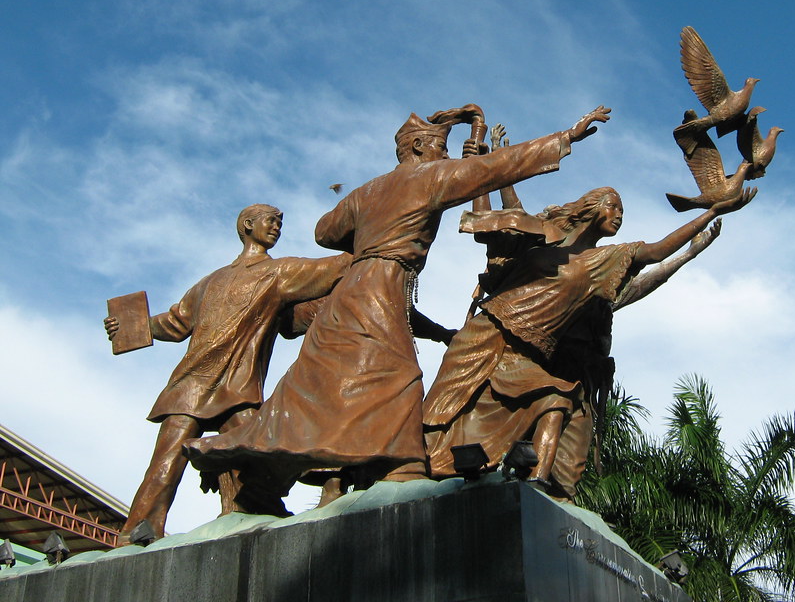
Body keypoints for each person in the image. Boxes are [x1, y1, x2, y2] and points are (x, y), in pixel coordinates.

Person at [185, 104, 612, 506]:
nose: (444, 155)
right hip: (382, 287)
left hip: (350, 288)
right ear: (420, 147)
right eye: (440, 148)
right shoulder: (428, 178)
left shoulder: (367, 191)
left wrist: (370, 231)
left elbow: (324, 230)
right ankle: (402, 467)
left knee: (316, 380)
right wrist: (566, 137)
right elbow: (495, 168)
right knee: (399, 374)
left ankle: (262, 471)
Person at [423, 184, 754, 498]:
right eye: (613, 205)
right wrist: (493, 165)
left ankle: (538, 489)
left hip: (527, 353)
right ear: (592, 207)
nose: (619, 214)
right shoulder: (546, 235)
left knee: (555, 399)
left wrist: (711, 212)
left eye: (623, 210)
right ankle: (418, 467)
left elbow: (655, 254)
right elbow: (505, 219)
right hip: (485, 334)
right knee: (441, 415)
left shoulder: (606, 263)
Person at [103, 204, 351, 543]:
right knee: (166, 466)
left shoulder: (272, 273)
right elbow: (176, 323)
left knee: (261, 454)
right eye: (271, 221)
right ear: (248, 225)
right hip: (196, 384)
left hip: (234, 390)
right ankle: (134, 534)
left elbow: (333, 271)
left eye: (280, 223)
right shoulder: (257, 276)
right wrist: (131, 326)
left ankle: (256, 513)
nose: (277, 227)